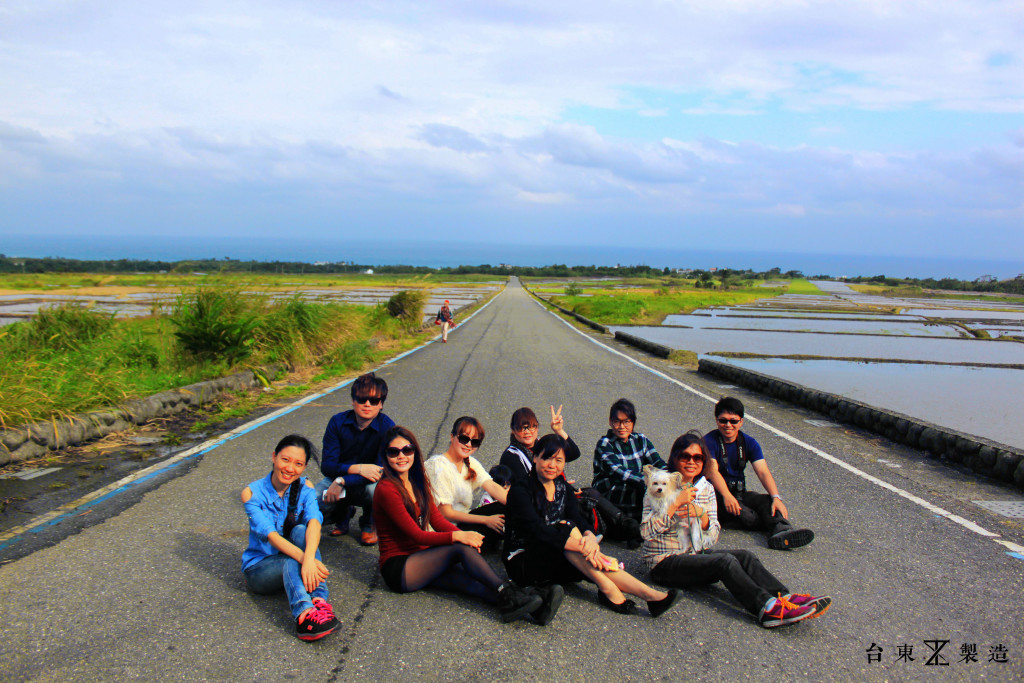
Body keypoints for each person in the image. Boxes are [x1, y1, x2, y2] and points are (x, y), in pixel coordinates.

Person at [641, 432, 831, 628]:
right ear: (675, 458)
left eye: (698, 458)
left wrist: (702, 517)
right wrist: (674, 505)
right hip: (663, 563)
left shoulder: (705, 488)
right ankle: (766, 609)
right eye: (685, 457)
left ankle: (786, 598)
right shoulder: (658, 487)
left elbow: (712, 536)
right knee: (724, 562)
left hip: (694, 553)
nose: (691, 462)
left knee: (745, 556)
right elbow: (646, 533)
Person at [372, 425, 555, 624]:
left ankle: (533, 607)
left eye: (407, 450)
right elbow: (416, 534)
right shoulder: (387, 489)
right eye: (394, 452)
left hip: (422, 556)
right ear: (386, 455)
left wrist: (464, 535)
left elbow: (437, 520)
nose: (401, 456)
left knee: (467, 582)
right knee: (458, 548)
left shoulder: (417, 480)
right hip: (400, 567)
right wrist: (460, 536)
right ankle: (515, 592)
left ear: (414, 451)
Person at [504, 433, 679, 618]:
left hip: (558, 556)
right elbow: (537, 531)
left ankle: (651, 597)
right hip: (524, 562)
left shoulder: (561, 486)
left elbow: (579, 519)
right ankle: (609, 589)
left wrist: (589, 538)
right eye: (546, 458)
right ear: (535, 458)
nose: (552, 465)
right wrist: (583, 546)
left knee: (577, 535)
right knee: (567, 531)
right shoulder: (520, 490)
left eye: (558, 460)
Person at [241, 434, 341, 641]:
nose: (290, 468)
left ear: (304, 467)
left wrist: (309, 557)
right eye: (285, 460)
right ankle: (304, 616)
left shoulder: (306, 488)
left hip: (294, 560)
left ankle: (319, 601)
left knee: (301, 530)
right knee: (290, 560)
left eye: (298, 464)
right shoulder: (252, 493)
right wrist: (307, 560)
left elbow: (315, 522)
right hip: (260, 570)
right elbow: (270, 536)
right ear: (274, 457)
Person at [703, 397, 814, 550]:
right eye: (723, 420)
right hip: (717, 495)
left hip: (739, 493)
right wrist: (726, 495)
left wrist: (776, 497)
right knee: (748, 516)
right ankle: (769, 526)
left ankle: (783, 531)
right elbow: (712, 471)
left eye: (733, 421)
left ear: (741, 422)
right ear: (716, 421)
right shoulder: (709, 441)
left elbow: (762, 472)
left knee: (768, 503)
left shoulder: (749, 443)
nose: (728, 425)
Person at [317, 372, 395, 546]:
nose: (367, 404)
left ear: (381, 404)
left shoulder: (388, 428)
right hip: (341, 477)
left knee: (377, 490)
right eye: (361, 399)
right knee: (314, 499)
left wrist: (342, 480)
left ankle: (369, 523)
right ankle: (341, 514)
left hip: (368, 482)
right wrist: (357, 469)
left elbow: (379, 471)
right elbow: (327, 466)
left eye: (374, 401)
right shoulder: (337, 422)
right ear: (353, 401)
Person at [424, 417, 509, 552]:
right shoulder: (438, 466)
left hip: (465, 521)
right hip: (445, 530)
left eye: (474, 442)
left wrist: (520, 505)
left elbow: (492, 486)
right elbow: (445, 514)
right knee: (505, 519)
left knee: (510, 507)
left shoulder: (470, 462)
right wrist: (486, 520)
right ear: (452, 437)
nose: (469, 444)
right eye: (464, 439)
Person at [592, 398, 667, 521]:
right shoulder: (605, 444)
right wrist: (650, 481)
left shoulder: (640, 440)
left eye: (626, 421)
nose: (622, 426)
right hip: (611, 490)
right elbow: (620, 472)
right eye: (617, 421)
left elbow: (657, 462)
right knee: (645, 489)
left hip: (636, 484)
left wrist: (670, 478)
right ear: (610, 422)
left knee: (664, 488)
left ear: (633, 422)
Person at [499, 405, 580, 486]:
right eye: (521, 428)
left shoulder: (543, 444)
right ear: (513, 430)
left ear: (537, 427)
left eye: (532, 427)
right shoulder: (510, 456)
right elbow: (525, 486)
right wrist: (557, 486)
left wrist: (558, 430)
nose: (527, 432)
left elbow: (573, 454)